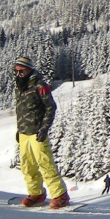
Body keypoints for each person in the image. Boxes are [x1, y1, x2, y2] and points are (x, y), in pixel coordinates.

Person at [11, 56, 69, 209]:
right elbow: (21, 111)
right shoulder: (19, 87)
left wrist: (44, 128)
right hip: (24, 133)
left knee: (45, 163)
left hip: (37, 132)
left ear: (29, 70)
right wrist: (19, 130)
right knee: (27, 166)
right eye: (16, 71)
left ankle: (60, 196)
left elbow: (50, 107)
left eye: (21, 71)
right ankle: (36, 194)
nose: (18, 74)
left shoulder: (40, 85)